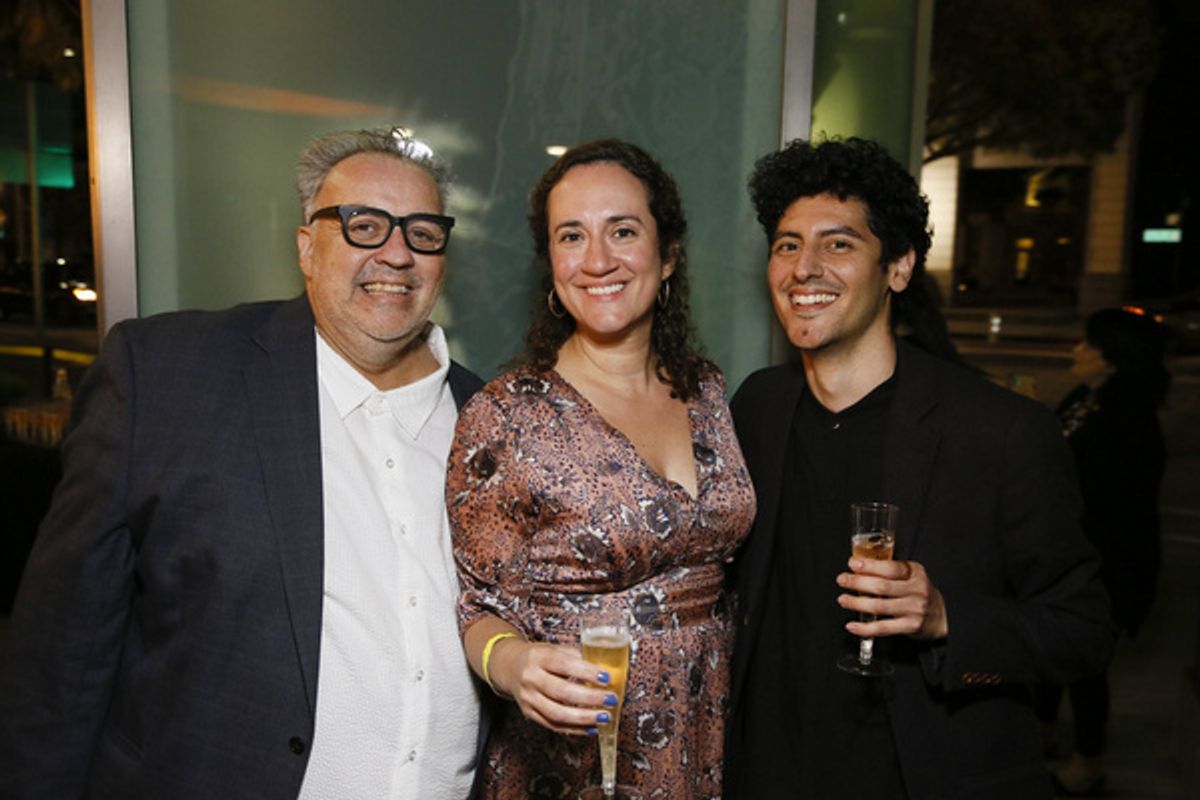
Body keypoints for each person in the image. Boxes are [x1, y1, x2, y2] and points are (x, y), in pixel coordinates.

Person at [0, 127, 486, 799]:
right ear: (306, 246)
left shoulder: (492, 420)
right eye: (363, 225)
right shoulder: (168, 377)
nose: (397, 253)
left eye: (423, 232)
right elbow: (60, 655)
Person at [722, 136, 1114, 800]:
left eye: (838, 244)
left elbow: (1084, 632)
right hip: (766, 773)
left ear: (899, 267)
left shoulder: (1000, 431)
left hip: (920, 777)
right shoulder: (757, 407)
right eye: (787, 245)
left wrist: (945, 618)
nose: (803, 269)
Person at [446, 139, 755, 799]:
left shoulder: (707, 392)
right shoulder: (506, 417)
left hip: (710, 742)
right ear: (551, 265)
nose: (597, 260)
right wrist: (514, 664)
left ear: (668, 254)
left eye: (622, 231)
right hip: (575, 758)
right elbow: (476, 606)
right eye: (571, 236)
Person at [1037, 307, 1169, 796]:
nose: (1077, 351)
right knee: (1048, 647)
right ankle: (1044, 730)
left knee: (1086, 664)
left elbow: (1108, 499)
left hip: (1105, 563)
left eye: (1088, 346)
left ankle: (1088, 762)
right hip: (1064, 557)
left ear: (1113, 360)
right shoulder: (1086, 397)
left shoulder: (1128, 419)